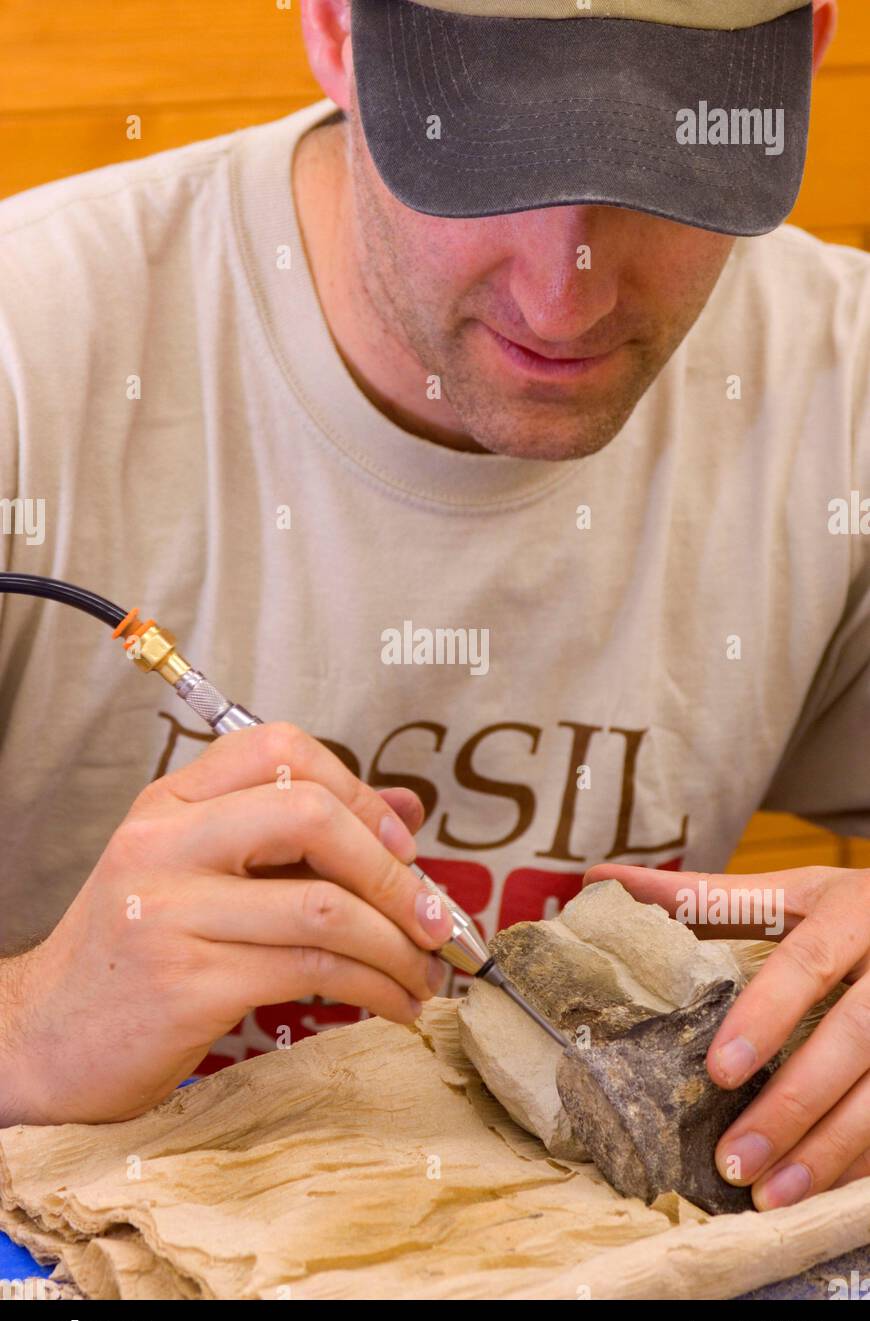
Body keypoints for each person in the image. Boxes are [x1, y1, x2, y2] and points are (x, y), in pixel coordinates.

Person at [0, 0, 866, 1213]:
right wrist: (31, 1028)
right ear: (334, 31)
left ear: (809, 51)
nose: (563, 304)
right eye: (482, 171)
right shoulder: (27, 357)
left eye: (663, 177)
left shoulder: (845, 384)